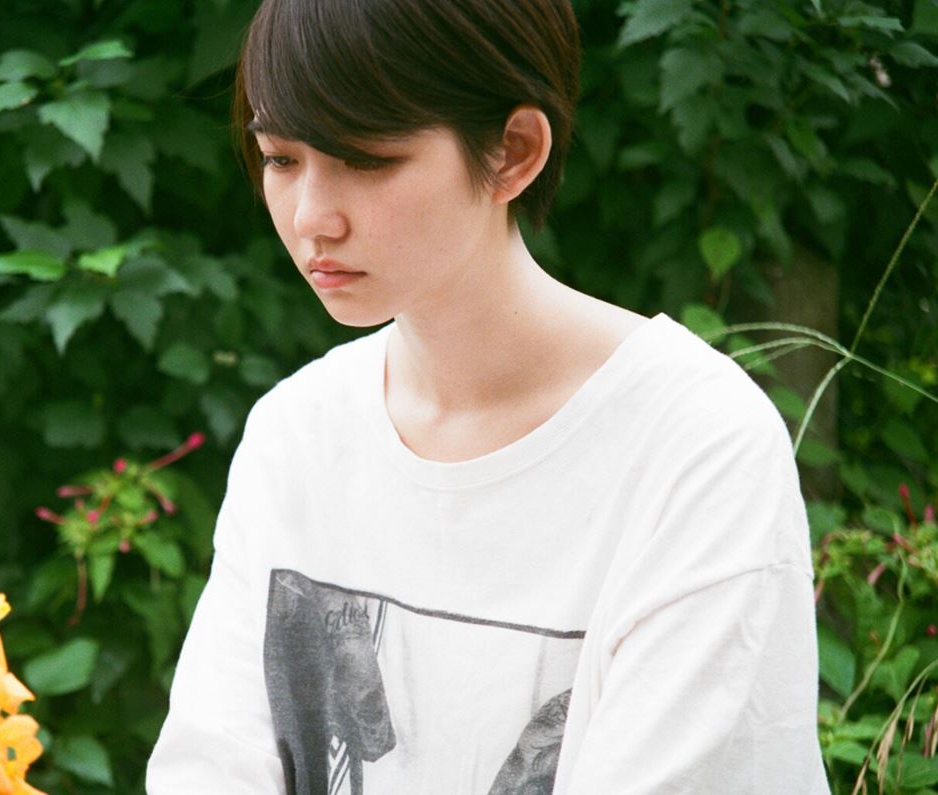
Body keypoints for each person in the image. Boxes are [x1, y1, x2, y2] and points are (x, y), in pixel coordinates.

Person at [147, 0, 829, 792]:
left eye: (365, 160)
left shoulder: (695, 444)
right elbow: (212, 766)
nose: (311, 217)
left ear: (513, 151)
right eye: (280, 158)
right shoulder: (298, 434)